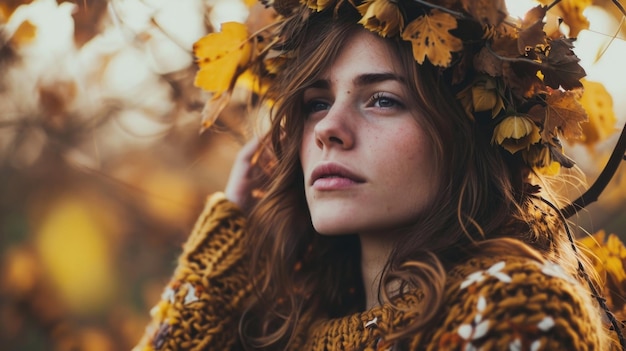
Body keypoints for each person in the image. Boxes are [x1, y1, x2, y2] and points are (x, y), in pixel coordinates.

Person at [134, 0, 624, 350]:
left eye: (383, 99)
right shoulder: (278, 327)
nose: (328, 128)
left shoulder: (509, 308)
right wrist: (223, 250)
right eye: (316, 103)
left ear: (463, 134)